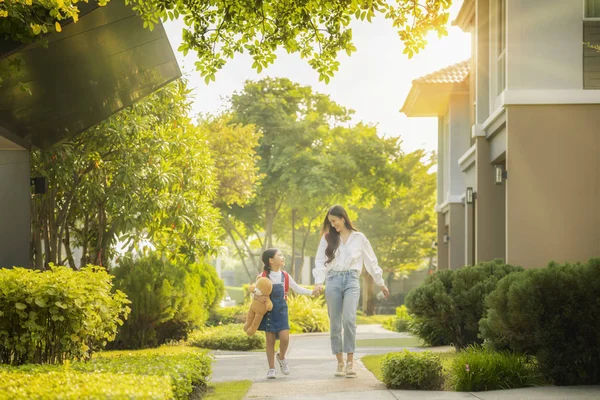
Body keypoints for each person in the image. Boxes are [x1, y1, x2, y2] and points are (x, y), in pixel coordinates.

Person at [313, 205, 389, 378]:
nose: (332, 225)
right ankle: (339, 361)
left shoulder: (359, 238)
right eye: (330, 222)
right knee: (335, 324)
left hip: (352, 280)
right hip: (332, 280)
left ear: (343, 218)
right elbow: (320, 261)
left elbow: (371, 261)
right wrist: (319, 282)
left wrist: (380, 283)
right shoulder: (327, 238)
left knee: (349, 319)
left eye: (334, 221)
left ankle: (350, 362)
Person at [254, 248, 319, 379]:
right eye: (280, 255)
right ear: (271, 260)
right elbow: (256, 293)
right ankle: (271, 369)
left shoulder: (285, 276)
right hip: (268, 312)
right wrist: (259, 299)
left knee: (285, 338)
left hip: (282, 311)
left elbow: (297, 288)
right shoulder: (263, 277)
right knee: (270, 341)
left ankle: (281, 357)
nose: (283, 257)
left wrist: (311, 292)